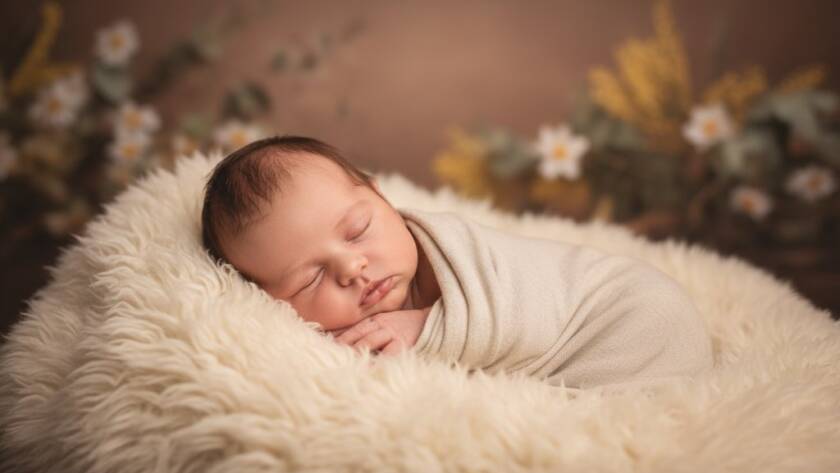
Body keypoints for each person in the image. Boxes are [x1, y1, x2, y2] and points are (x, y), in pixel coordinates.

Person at [201, 135, 714, 389]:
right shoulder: (325, 339)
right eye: (309, 278)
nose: (351, 269)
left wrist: (425, 329)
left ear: (383, 199)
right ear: (266, 300)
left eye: (358, 230)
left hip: (629, 314)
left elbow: (520, 308)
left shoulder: (455, 252)